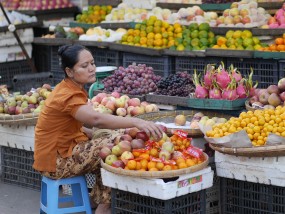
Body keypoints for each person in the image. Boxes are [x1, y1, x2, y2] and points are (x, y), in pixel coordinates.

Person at [33, 44, 163, 214]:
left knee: (114, 141)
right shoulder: (67, 95)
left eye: (92, 63)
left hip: (58, 153)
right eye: (84, 66)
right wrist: (136, 122)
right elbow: (96, 119)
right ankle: (104, 207)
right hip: (55, 162)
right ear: (69, 71)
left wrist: (97, 135)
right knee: (112, 149)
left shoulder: (70, 88)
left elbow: (71, 128)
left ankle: (96, 200)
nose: (91, 69)